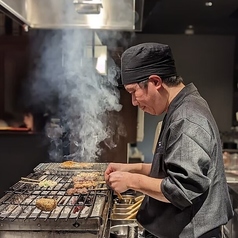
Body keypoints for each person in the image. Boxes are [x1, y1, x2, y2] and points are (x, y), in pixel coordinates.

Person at [104, 42, 233, 238]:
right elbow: (173, 168)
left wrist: (131, 180)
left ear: (155, 82)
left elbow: (181, 189)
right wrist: (132, 168)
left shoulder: (187, 117)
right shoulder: (180, 108)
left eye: (133, 92)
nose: (133, 101)